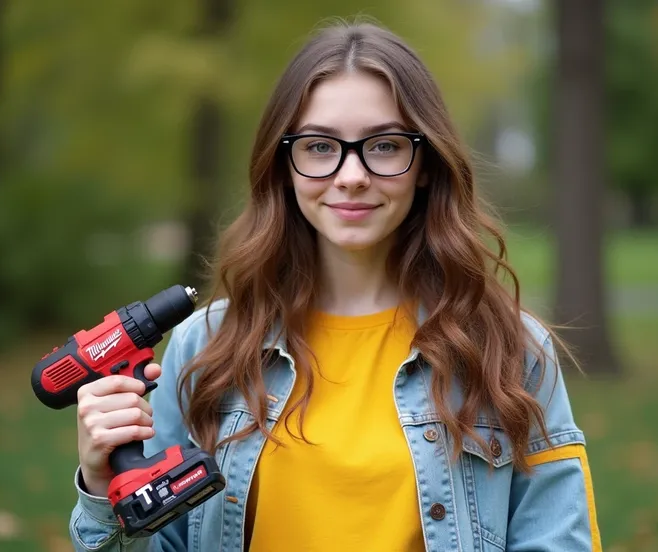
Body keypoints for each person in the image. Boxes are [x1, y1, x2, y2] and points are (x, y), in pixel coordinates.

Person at [69, 20, 602, 552]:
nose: (351, 175)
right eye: (321, 147)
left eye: (385, 145)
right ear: (284, 164)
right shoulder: (204, 348)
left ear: (424, 164)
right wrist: (101, 488)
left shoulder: (510, 350)